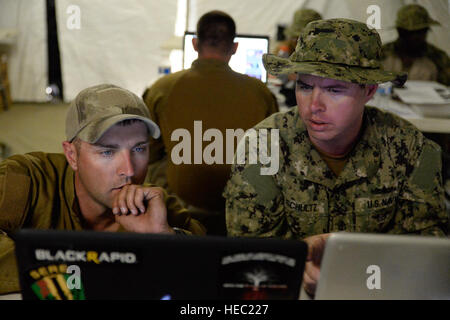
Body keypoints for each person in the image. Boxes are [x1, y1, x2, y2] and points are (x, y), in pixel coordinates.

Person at [224, 18, 448, 298]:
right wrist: (296, 261)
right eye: (305, 86)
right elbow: (246, 251)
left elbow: (428, 252)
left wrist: (353, 266)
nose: (314, 105)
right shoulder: (263, 146)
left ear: (368, 91)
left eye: (334, 89)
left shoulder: (410, 148)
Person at [0, 84, 205, 295]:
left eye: (139, 149)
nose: (129, 170)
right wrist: (70, 279)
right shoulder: (28, 181)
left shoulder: (156, 207)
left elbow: (213, 272)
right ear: (72, 156)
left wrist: (163, 237)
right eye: (107, 152)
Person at [143, 11, 278, 236]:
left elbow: (149, 153)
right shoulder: (261, 93)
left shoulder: (162, 88)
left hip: (183, 211)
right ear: (234, 48)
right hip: (241, 210)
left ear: (195, 44)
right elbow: (270, 157)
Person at [381, 4, 450, 86]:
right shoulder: (381, 55)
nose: (416, 37)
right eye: (410, 33)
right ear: (400, 31)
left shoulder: (438, 59)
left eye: (420, 32)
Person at [273, 8, 322, 107]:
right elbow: (277, 75)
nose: (298, 41)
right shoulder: (285, 49)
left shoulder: (324, 54)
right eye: (296, 37)